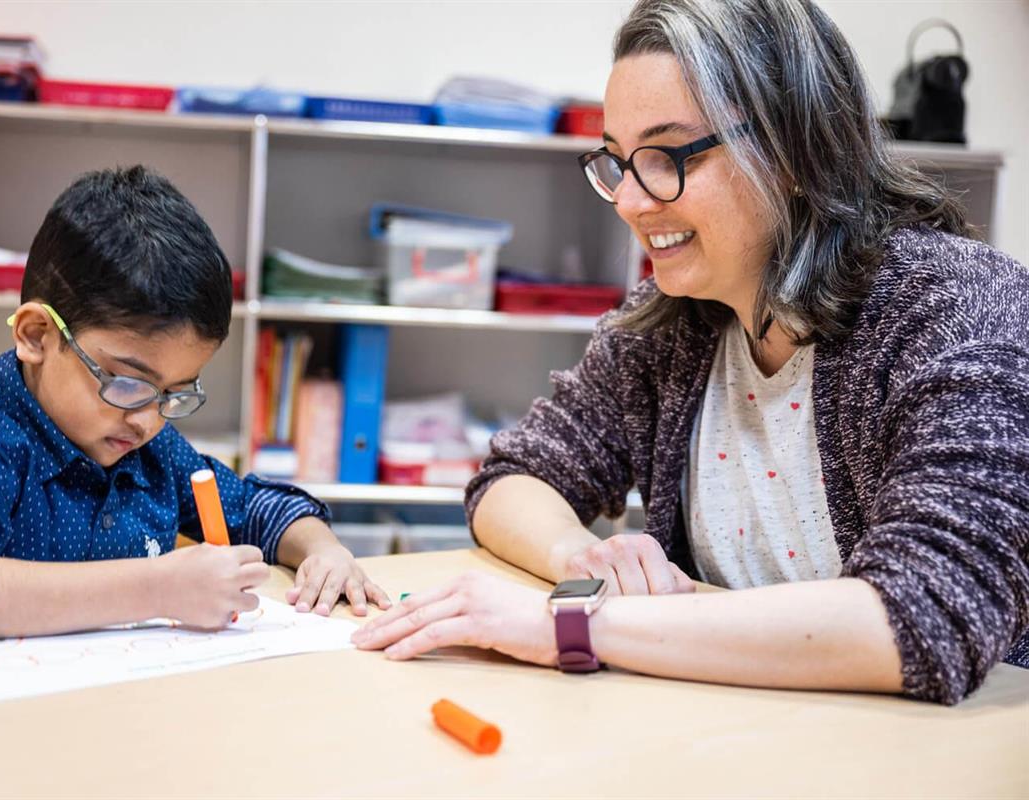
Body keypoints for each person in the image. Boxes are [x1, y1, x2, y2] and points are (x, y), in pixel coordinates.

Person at [355, 0, 1028, 705]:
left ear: (795, 150)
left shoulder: (961, 310)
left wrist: (579, 625)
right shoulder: (670, 328)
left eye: (668, 156)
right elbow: (514, 478)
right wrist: (583, 561)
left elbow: (926, 616)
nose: (630, 201)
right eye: (617, 162)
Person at [0, 166, 390, 639]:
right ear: (37, 335)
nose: (149, 420)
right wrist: (156, 589)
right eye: (129, 383)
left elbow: (260, 508)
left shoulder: (153, 453)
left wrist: (324, 550)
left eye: (176, 393)